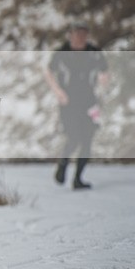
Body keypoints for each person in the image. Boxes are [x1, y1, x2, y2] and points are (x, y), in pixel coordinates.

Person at [45, 20, 109, 189]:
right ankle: (63, 164)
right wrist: (58, 92)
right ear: (71, 35)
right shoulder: (62, 53)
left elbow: (104, 72)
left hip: (89, 101)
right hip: (69, 102)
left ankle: (78, 178)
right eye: (77, 33)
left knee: (87, 141)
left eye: (83, 34)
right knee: (73, 137)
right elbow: (49, 72)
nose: (80, 37)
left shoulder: (94, 53)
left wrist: (103, 86)